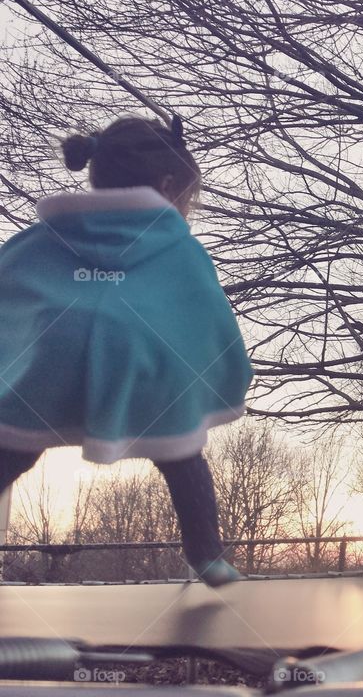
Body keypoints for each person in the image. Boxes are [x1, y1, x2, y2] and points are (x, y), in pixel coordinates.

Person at [0, 116, 253, 587]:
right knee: (182, 452)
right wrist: (221, 371)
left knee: (14, 442)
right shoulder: (175, 244)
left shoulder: (49, 234)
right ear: (168, 184)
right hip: (144, 360)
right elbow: (205, 313)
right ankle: (208, 557)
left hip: (51, 355)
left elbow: (11, 281)